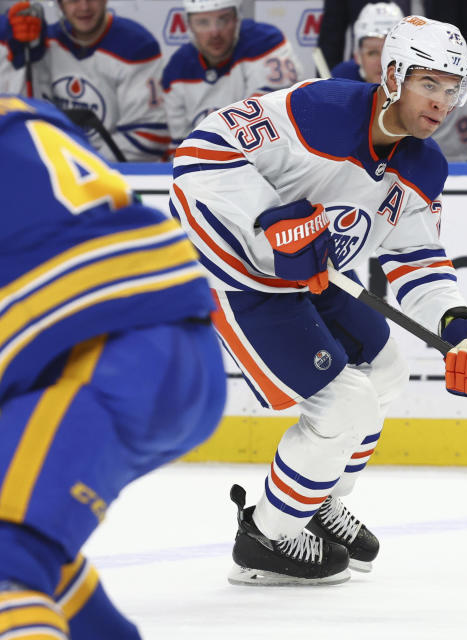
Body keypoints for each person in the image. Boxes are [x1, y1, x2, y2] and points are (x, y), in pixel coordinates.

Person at [169, 15, 467, 585]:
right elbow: (197, 156)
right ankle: (265, 537)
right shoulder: (317, 114)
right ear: (394, 76)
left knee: (387, 370)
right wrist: (265, 229)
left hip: (312, 276)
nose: (442, 102)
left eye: (453, 89)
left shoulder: (423, 164)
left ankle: (312, 500)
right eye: (430, 84)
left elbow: (416, 258)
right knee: (343, 404)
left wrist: (456, 323)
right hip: (237, 273)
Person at [0, 95, 225, 639]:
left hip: (107, 351)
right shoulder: (19, 111)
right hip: (164, 340)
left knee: (6, 568)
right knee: (32, 557)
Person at [330, 2, 467, 162]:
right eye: (373, 52)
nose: (382, 60)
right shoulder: (336, 101)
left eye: (389, 51)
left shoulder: (464, 106)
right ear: (357, 56)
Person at [3, 0, 169, 162]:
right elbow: (21, 116)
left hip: (123, 177)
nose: (84, 7)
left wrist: (82, 164)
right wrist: (14, 54)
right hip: (63, 168)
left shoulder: (136, 46)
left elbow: (149, 135)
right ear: (60, 4)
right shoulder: (45, 45)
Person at [162, 0, 305, 150]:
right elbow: (181, 146)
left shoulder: (265, 43)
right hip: (207, 166)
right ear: (189, 26)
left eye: (223, 19)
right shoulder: (177, 70)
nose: (215, 33)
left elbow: (271, 129)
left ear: (237, 19)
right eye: (203, 22)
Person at [317, 0, 467, 104]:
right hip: (364, 86)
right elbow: (330, 37)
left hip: (438, 80)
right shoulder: (345, 77)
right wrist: (322, 94)